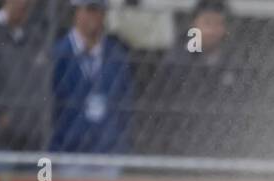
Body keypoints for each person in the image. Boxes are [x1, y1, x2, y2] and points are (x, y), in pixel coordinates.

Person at [151, 0, 243, 156]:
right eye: (207, 23)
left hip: (223, 148)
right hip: (181, 147)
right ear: (194, 25)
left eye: (218, 24)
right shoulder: (177, 61)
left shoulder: (234, 62)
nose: (212, 30)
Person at [50, 0, 132, 156]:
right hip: (66, 153)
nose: (96, 16)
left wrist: (119, 145)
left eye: (100, 10)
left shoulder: (116, 56)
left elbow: (126, 105)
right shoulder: (57, 55)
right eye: (90, 9)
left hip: (107, 154)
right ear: (77, 12)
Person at [0, 0, 51, 155]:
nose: (24, 3)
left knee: (40, 179)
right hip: (0, 142)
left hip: (33, 140)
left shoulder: (36, 36)